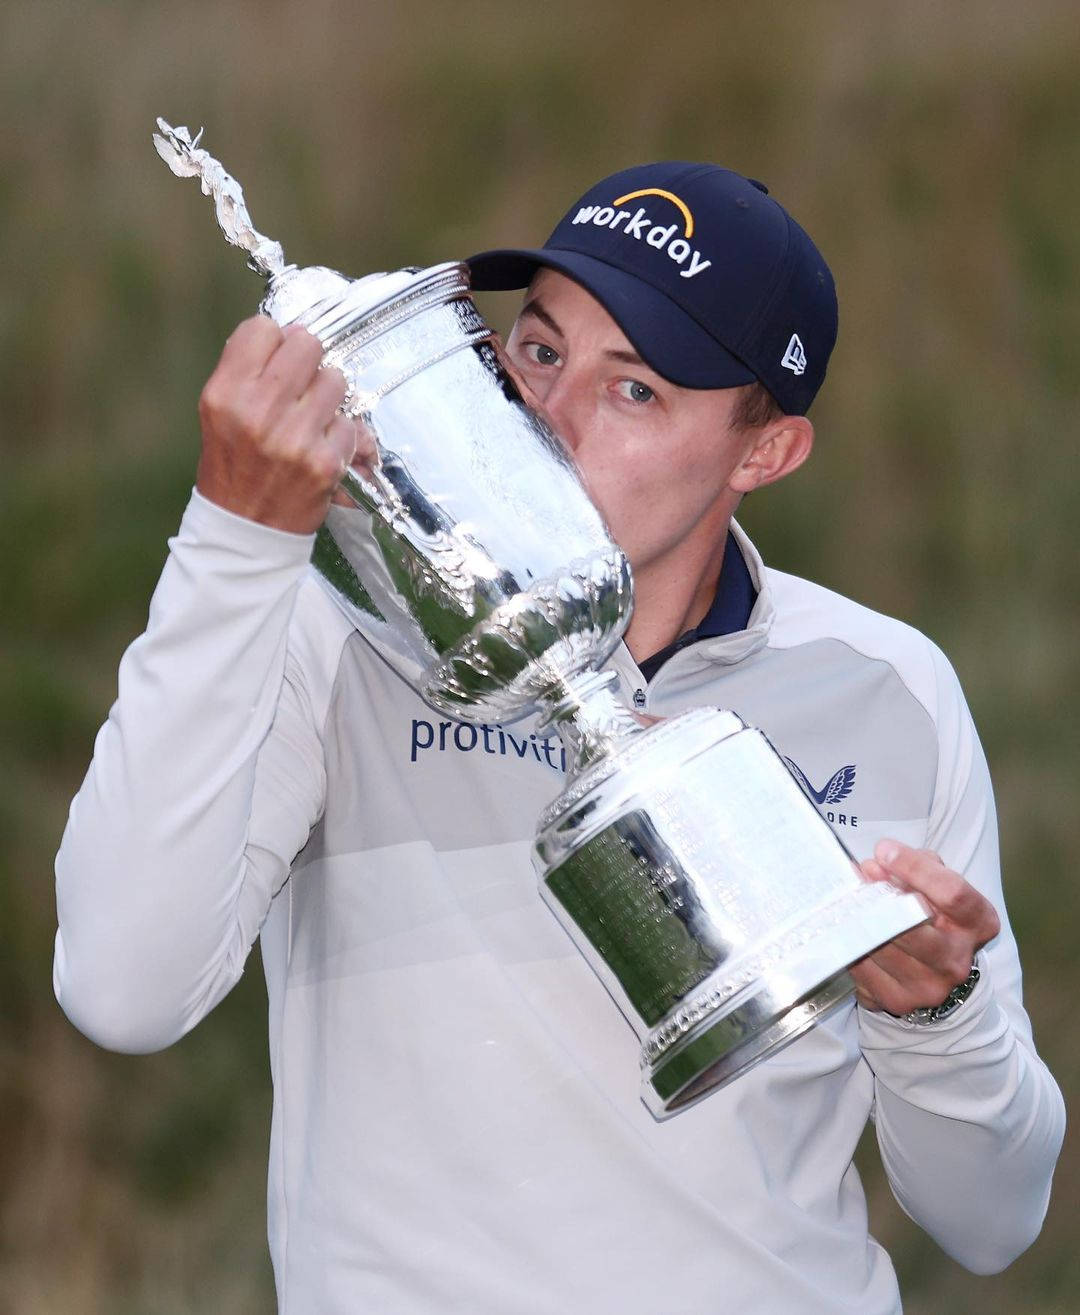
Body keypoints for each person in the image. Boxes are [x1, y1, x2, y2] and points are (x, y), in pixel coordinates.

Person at [54, 162, 1064, 1314]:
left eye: (634, 391)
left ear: (764, 453)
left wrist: (937, 1014)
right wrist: (238, 538)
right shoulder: (338, 634)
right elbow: (121, 991)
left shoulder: (889, 687)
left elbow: (994, 1220)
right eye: (538, 352)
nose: (548, 415)